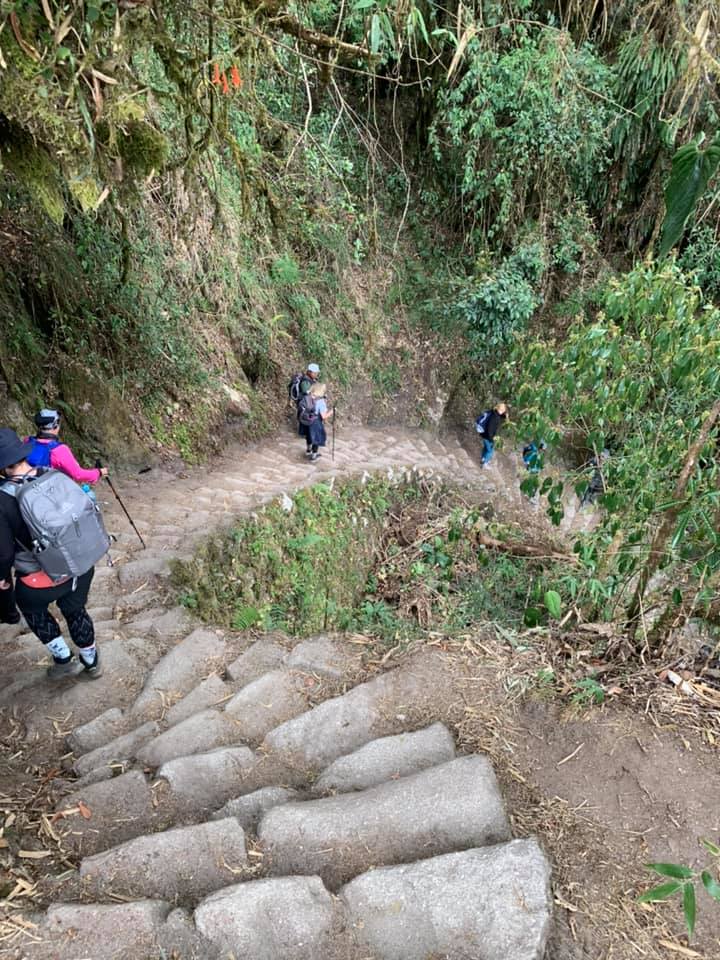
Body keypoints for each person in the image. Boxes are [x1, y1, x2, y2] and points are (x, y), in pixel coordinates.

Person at [0, 429, 102, 679]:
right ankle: (91, 661)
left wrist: (3, 578)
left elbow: (3, 554)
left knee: (32, 610)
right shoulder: (53, 474)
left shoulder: (2, 500)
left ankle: (63, 658)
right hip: (80, 565)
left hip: (39, 580)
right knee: (76, 610)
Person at [25, 409, 108, 485]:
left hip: (29, 487)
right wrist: (99, 472)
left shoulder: (28, 441)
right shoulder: (59, 450)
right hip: (49, 490)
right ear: (55, 426)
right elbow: (78, 475)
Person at [298, 382, 334, 461]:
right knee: (316, 438)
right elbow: (324, 416)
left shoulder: (307, 396)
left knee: (309, 436)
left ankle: (308, 450)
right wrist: (332, 412)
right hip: (315, 422)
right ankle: (314, 456)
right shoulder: (321, 402)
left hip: (306, 420)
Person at [477, 402, 508, 467]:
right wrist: (491, 438)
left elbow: (501, 416)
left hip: (484, 434)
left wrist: (505, 415)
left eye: (503, 411)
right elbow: (490, 428)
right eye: (502, 410)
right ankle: (484, 463)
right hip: (488, 436)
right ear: (499, 409)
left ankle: (483, 459)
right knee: (490, 451)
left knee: (486, 448)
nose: (502, 412)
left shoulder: (494, 412)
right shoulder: (494, 417)